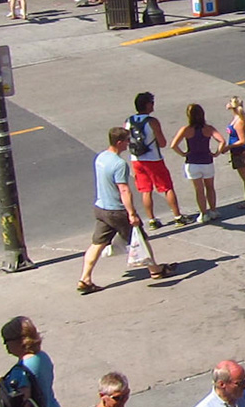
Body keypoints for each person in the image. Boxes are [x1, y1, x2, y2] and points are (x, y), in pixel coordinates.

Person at [78, 126, 173, 292]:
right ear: (119, 142)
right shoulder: (119, 164)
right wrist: (131, 214)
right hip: (116, 210)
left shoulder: (101, 157)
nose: (129, 143)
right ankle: (155, 270)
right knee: (140, 239)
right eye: (127, 140)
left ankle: (85, 278)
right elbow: (124, 190)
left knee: (97, 244)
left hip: (101, 208)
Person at [125, 92, 184, 228]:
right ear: (147, 105)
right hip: (153, 158)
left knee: (146, 190)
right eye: (151, 103)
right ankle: (177, 217)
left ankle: (152, 220)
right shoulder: (152, 121)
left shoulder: (128, 121)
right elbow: (162, 143)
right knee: (166, 187)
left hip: (137, 159)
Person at [168, 103, 226, 224]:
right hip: (207, 161)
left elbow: (173, 145)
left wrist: (183, 154)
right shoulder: (208, 128)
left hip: (192, 163)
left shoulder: (186, 130)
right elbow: (222, 141)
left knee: (199, 190)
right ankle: (213, 210)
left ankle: (203, 213)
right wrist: (216, 153)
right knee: (210, 187)